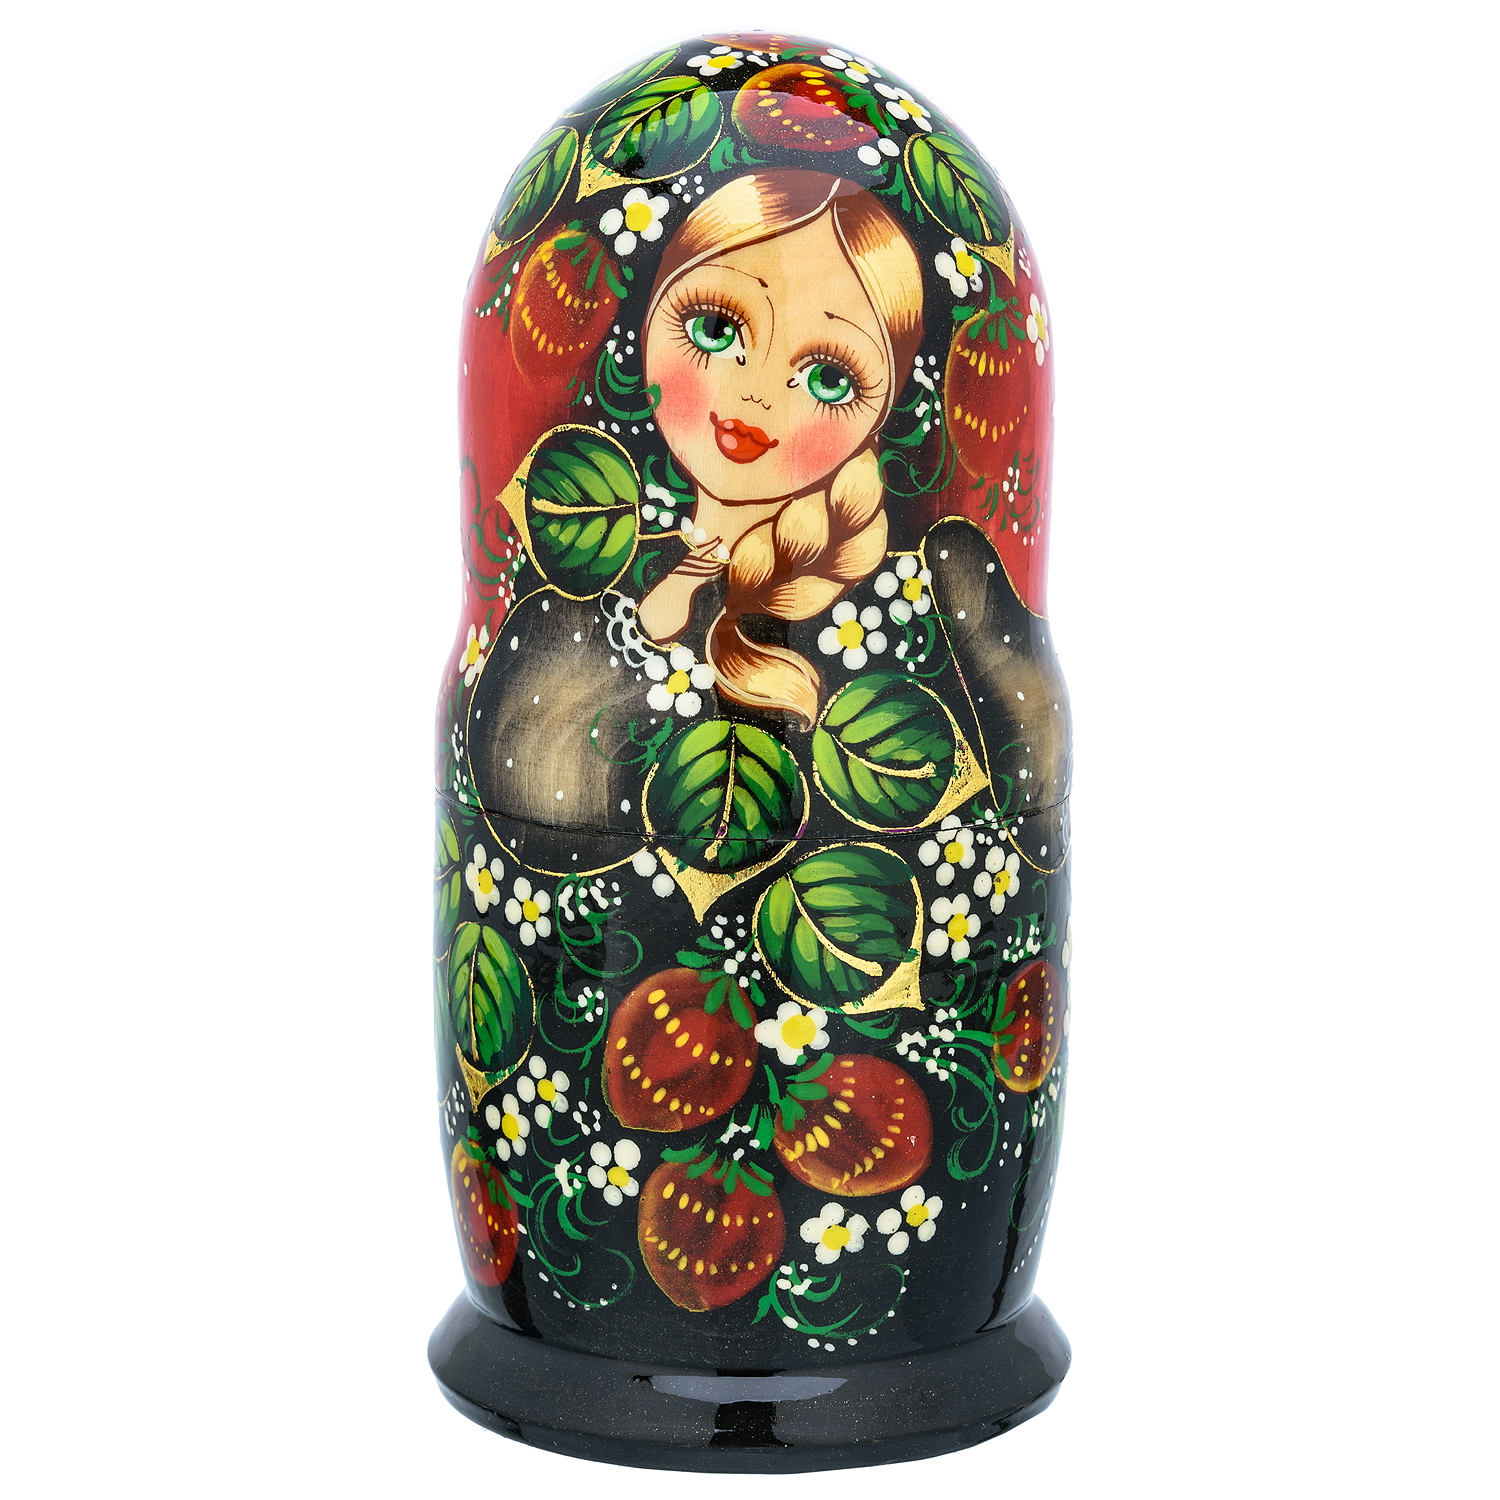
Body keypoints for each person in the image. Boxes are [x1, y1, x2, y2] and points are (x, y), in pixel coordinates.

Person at [637, 172, 924, 730]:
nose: (757, 395)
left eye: (827, 379)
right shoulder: (626, 542)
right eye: (717, 329)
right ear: (651, 322)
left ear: (877, 421)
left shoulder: (882, 610)